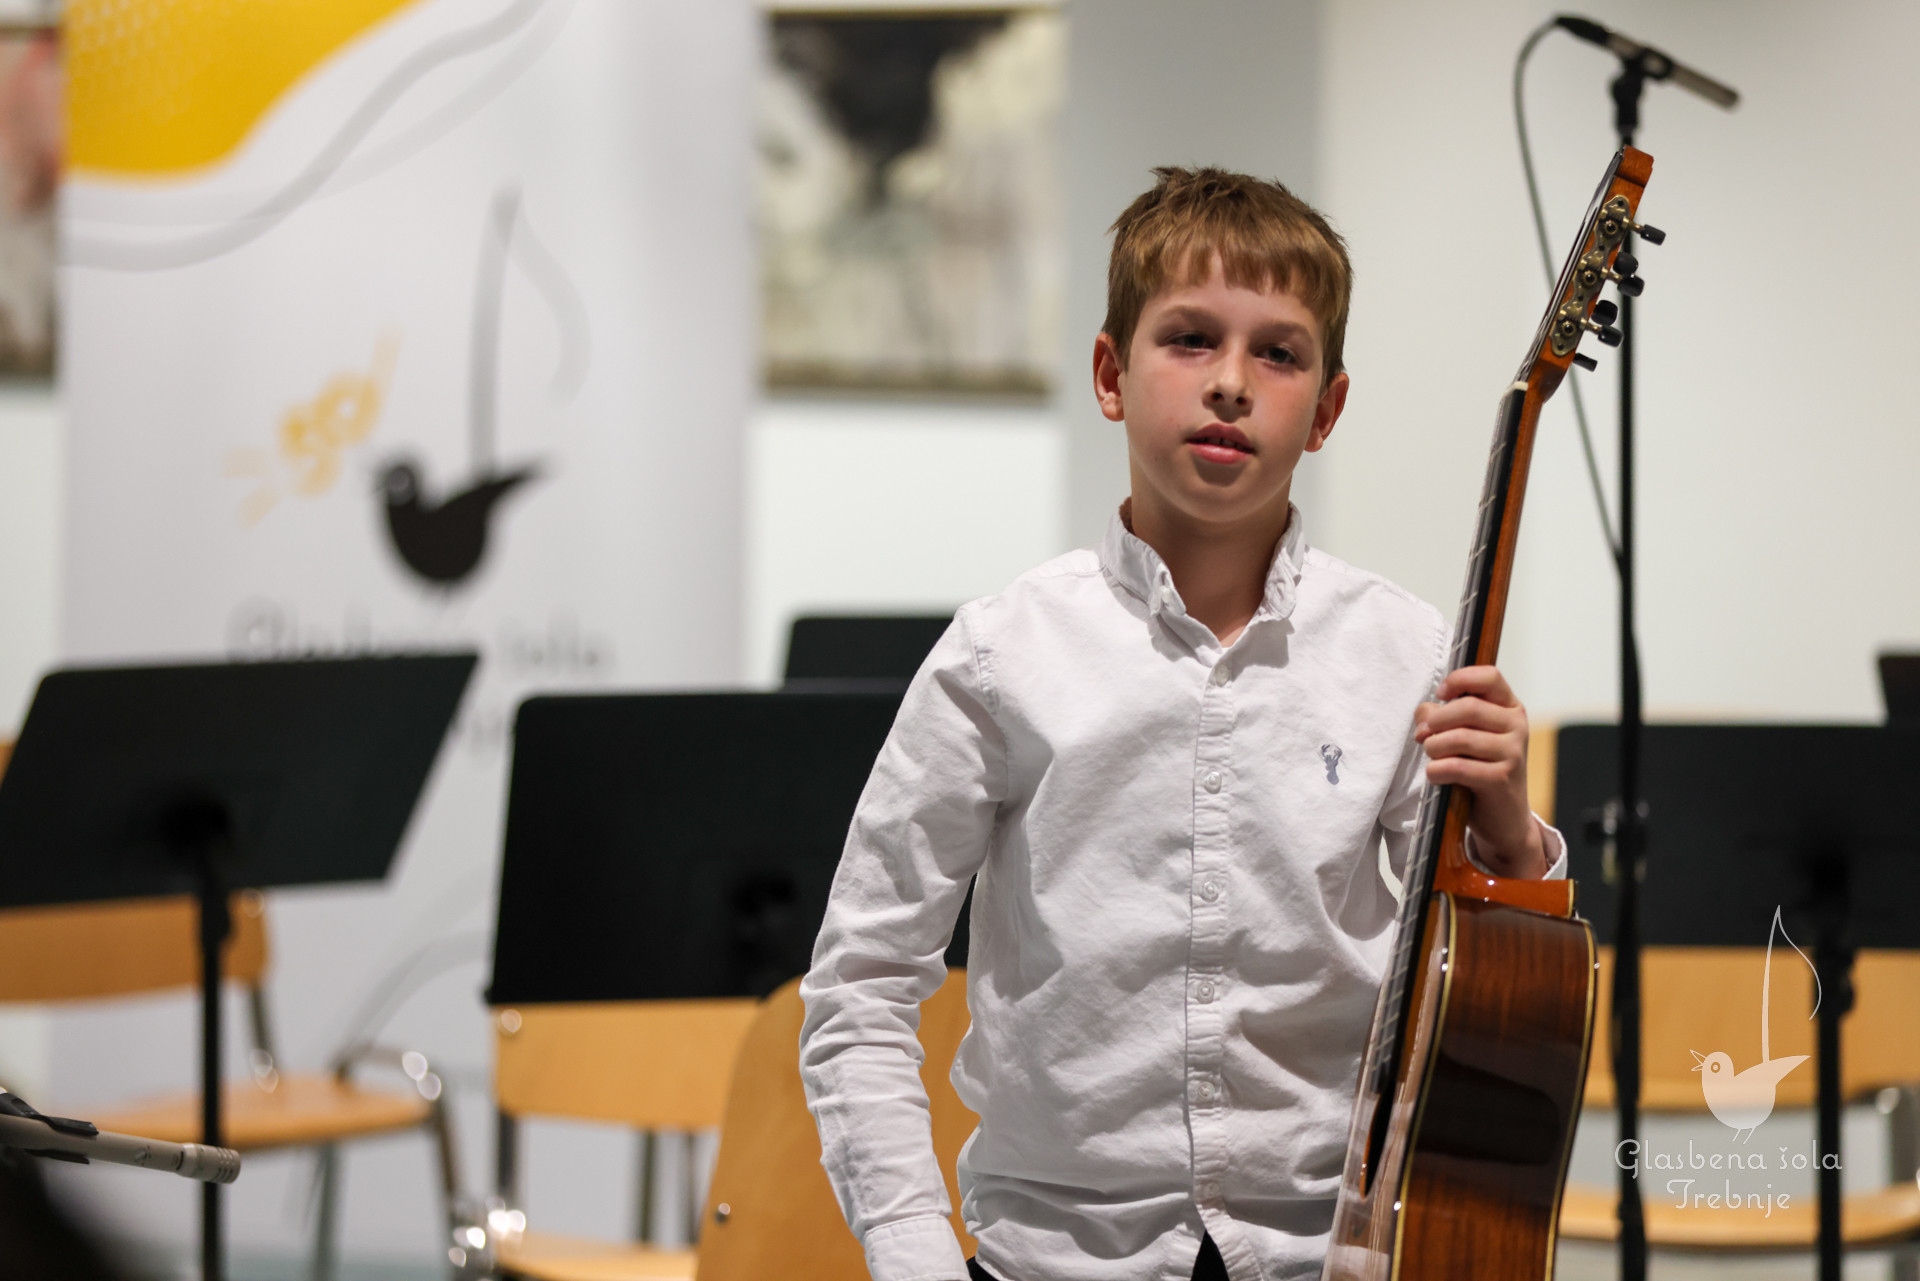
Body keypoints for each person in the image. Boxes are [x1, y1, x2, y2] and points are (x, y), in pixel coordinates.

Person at [798, 167, 1564, 1281]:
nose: (1232, 384)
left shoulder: (1408, 655)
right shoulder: (999, 654)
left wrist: (1510, 837)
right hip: (1051, 1261)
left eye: (1280, 353)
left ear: (1328, 409)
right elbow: (862, 979)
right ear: (1111, 375)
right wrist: (915, 1253)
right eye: (1191, 339)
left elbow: (1489, 1005)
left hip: (1326, 1256)